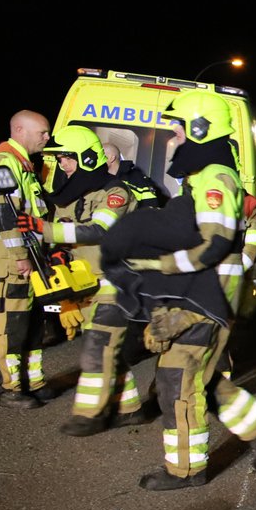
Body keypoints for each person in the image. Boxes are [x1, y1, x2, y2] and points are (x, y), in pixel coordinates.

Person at [106, 89, 256, 490]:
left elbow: (212, 245)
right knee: (197, 377)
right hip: (196, 294)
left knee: (177, 382)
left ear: (201, 131)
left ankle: (187, 471)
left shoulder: (213, 180)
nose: (171, 139)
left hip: (202, 298)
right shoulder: (201, 176)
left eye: (176, 130)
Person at [23, 125, 155, 433]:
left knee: (98, 346)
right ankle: (131, 408)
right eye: (60, 159)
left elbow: (97, 230)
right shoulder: (67, 195)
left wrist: (44, 229)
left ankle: (89, 415)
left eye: (68, 158)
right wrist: (57, 253)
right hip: (82, 281)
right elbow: (65, 235)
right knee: (109, 348)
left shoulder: (116, 192)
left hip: (116, 280)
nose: (63, 165)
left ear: (86, 157)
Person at [0, 109, 55, 408]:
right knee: (12, 324)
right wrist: (20, 256)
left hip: (30, 255)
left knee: (32, 322)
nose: (47, 137)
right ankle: (11, 388)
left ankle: (33, 381)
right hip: (12, 260)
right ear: (19, 129)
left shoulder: (23, 164)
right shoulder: (5, 161)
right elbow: (5, 214)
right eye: (42, 132)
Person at [98, 129, 168, 205]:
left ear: (112, 158)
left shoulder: (137, 181)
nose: (96, 160)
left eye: (100, 156)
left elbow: (149, 208)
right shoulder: (97, 178)